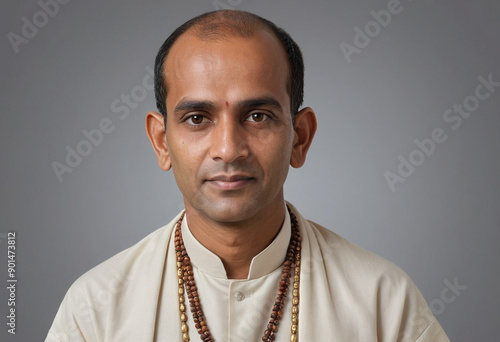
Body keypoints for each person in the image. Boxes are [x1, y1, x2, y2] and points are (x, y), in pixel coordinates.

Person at [46, 10, 450, 342]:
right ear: (161, 141)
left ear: (300, 138)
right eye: (197, 118)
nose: (228, 148)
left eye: (258, 116)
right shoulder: (94, 310)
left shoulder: (384, 303)